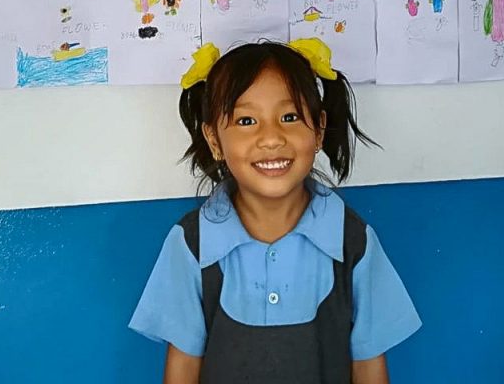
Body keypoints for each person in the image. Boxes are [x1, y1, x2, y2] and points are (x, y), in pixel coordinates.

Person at [130, 39, 421, 383]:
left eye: (289, 116)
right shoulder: (192, 245)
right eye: (246, 120)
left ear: (318, 129)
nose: (271, 138)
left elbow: (369, 365)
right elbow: (182, 370)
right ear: (213, 140)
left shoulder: (352, 241)